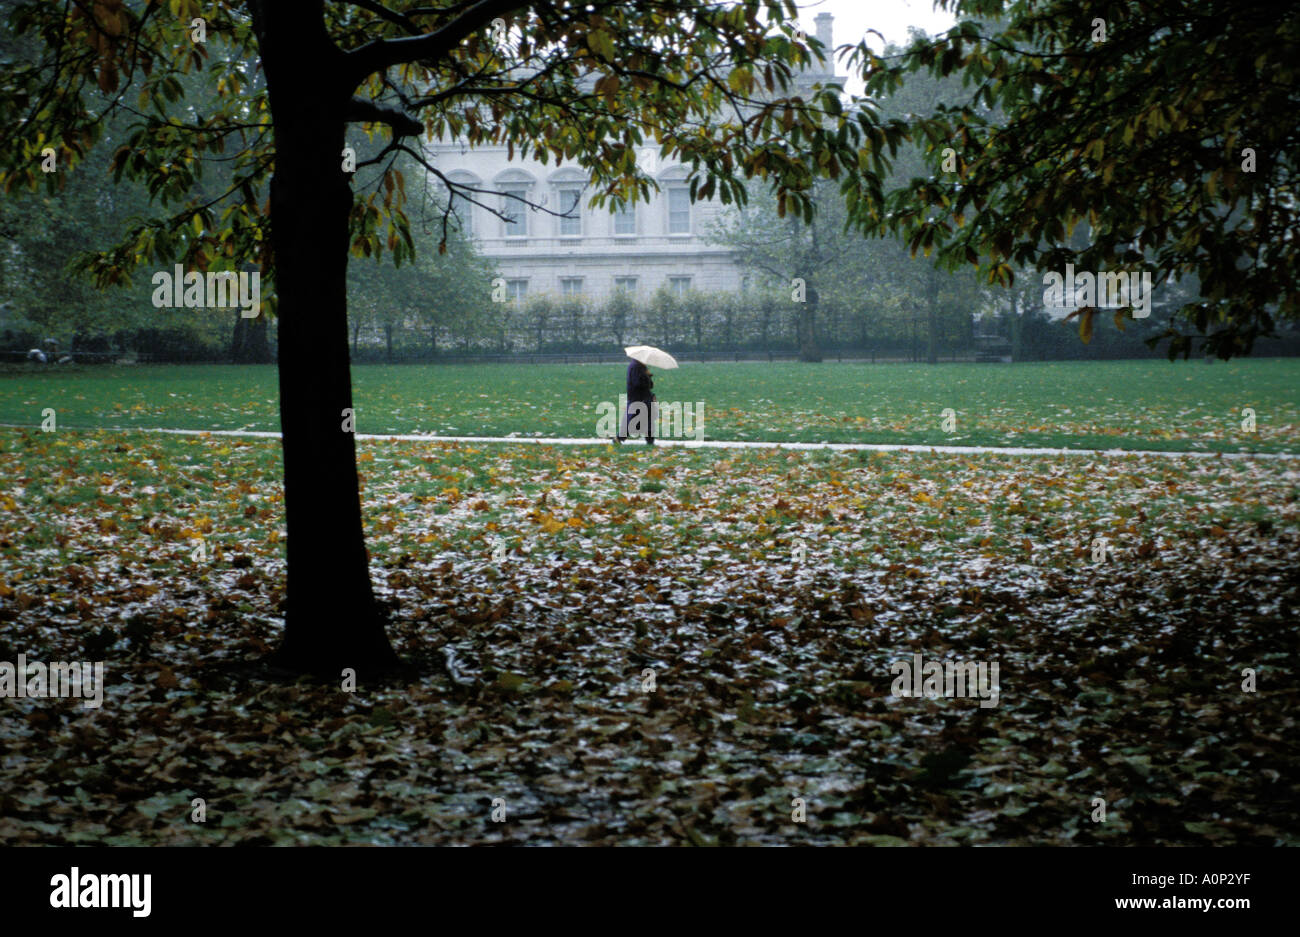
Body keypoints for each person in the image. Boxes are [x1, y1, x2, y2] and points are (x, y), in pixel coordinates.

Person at [616, 357, 655, 446]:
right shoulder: (636, 366)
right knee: (634, 420)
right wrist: (646, 376)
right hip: (638, 398)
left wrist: (648, 376)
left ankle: (650, 441)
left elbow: (650, 385)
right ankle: (619, 438)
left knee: (647, 420)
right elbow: (638, 383)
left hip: (643, 397)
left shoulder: (640, 366)